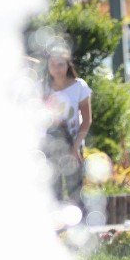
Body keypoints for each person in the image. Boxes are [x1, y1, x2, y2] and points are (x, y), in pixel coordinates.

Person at [43, 47, 92, 206]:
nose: (57, 69)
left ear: (68, 65)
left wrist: (75, 147)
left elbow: (87, 120)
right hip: (50, 145)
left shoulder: (79, 86)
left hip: (73, 142)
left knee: (75, 191)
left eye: (61, 65)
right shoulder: (43, 88)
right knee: (53, 191)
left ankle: (79, 227)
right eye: (53, 65)